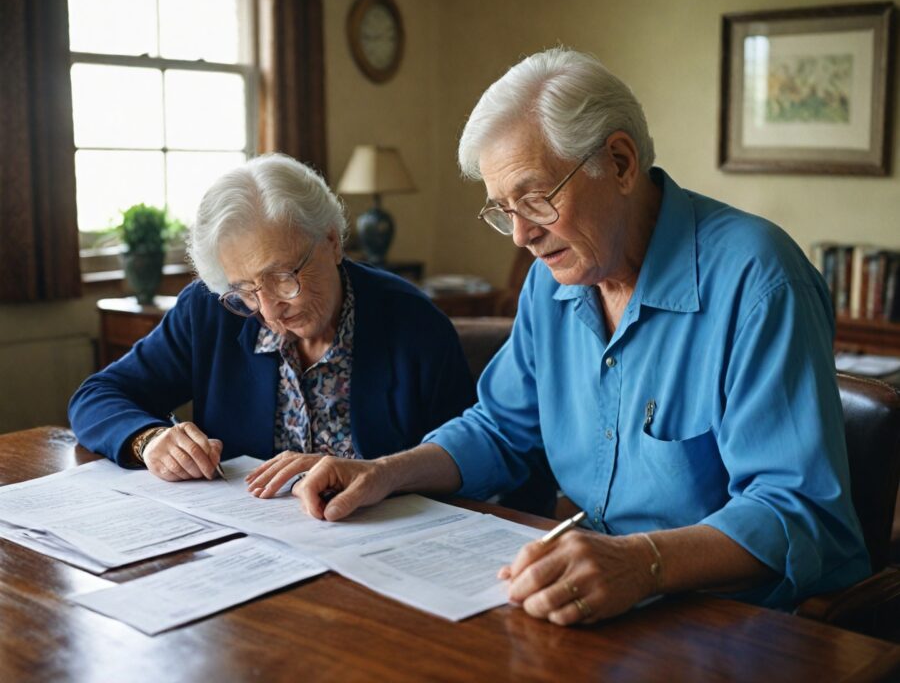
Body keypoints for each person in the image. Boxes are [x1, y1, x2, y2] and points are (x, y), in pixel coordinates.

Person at [290, 49, 870, 625]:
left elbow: (796, 513)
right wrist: (385, 472)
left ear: (619, 162)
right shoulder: (556, 280)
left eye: (536, 199)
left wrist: (638, 563)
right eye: (502, 209)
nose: (520, 236)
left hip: (746, 619)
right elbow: (500, 429)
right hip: (608, 601)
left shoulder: (759, 280)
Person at [69, 153, 475, 490]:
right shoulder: (211, 312)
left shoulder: (415, 326)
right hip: (247, 549)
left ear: (332, 241)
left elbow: (465, 463)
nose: (267, 310)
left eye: (283, 278)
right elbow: (98, 395)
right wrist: (149, 439)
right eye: (245, 289)